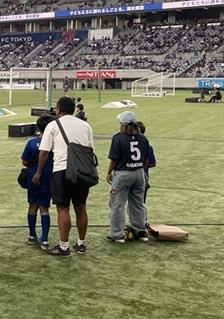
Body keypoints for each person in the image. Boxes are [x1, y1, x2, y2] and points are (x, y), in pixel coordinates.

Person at [33, 96, 95, 256]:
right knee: (81, 207)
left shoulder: (53, 125)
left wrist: (39, 172)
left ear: (58, 109)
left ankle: (64, 246)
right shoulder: (85, 126)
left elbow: (44, 152)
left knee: (62, 208)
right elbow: (90, 150)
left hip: (61, 170)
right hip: (82, 171)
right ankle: (81, 243)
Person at [106, 111, 151, 242]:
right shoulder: (143, 138)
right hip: (139, 173)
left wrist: (109, 172)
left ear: (124, 125)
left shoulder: (118, 138)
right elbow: (146, 158)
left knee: (117, 205)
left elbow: (114, 159)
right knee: (138, 204)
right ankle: (140, 231)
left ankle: (117, 234)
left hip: (123, 174)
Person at [21, 115, 54, 248]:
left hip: (32, 176)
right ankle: (44, 238)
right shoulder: (54, 143)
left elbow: (24, 160)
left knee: (32, 205)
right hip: (48, 177)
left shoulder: (31, 142)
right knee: (44, 207)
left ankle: (31, 235)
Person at [136, 121, 157, 227]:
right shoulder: (148, 146)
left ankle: (139, 224)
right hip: (144, 177)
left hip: (137, 176)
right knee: (141, 203)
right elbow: (153, 163)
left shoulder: (143, 145)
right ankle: (142, 224)